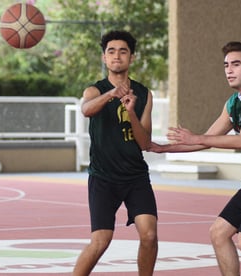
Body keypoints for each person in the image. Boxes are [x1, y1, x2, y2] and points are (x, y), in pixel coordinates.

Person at [150, 41, 241, 275]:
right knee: (218, 232)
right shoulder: (233, 104)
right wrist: (162, 149)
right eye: (226, 65)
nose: (229, 70)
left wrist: (195, 138)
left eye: (236, 64)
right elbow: (206, 139)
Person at [73, 30, 158, 276]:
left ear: (131, 58)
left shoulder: (144, 94)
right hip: (104, 177)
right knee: (101, 240)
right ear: (104, 58)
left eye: (123, 51)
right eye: (111, 51)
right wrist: (112, 94)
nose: (117, 56)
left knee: (150, 235)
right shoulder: (94, 90)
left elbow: (144, 142)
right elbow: (86, 110)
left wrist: (131, 111)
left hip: (135, 177)